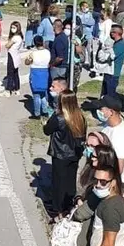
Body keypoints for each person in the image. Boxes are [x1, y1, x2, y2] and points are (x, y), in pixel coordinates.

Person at [43, 88, 86, 217]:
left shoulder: (59, 118)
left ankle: (58, 209)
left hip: (60, 154)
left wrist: (47, 121)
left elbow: (47, 130)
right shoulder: (80, 116)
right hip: (75, 153)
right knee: (70, 180)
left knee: (58, 182)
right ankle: (69, 205)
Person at [94, 94, 124, 185]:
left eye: (101, 109)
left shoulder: (119, 136)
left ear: (111, 112)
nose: (99, 111)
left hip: (111, 182)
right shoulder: (109, 124)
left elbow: (119, 167)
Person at [25, 35, 51, 118]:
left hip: (35, 73)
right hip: (45, 72)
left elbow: (27, 62)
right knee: (43, 93)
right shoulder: (47, 52)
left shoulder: (33, 53)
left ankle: (37, 113)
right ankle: (45, 111)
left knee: (36, 95)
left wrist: (28, 58)